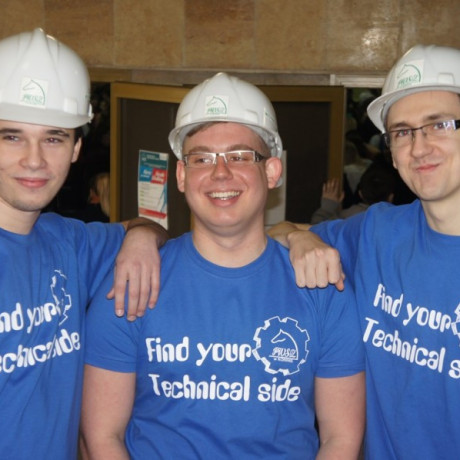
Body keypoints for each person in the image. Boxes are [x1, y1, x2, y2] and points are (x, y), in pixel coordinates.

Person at [80, 72, 365, 459]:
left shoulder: (322, 288)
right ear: (182, 176)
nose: (220, 173)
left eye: (239, 156)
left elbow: (341, 440)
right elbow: (101, 439)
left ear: (272, 171)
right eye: (202, 159)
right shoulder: (132, 283)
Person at [269, 44, 460, 459]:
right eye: (402, 132)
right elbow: (273, 232)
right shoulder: (378, 231)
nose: (419, 147)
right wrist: (301, 239)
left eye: (439, 124)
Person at [0, 28, 167, 459]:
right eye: (11, 136)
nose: (34, 159)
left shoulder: (71, 242)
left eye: (53, 137)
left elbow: (147, 227)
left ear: (75, 148)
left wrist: (141, 237)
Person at [310, 159, 397, 223]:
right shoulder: (395, 221)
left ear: (360, 193)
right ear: (391, 197)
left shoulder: (343, 219)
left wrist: (326, 209)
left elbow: (315, 232)